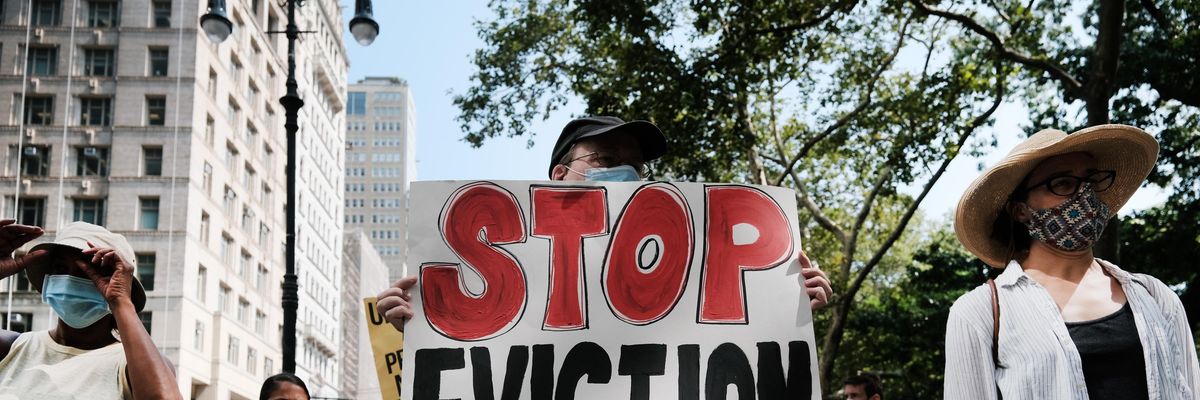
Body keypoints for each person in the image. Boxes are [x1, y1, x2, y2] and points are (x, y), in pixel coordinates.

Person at [377, 116, 834, 332]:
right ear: (560, 175)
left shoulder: (683, 260)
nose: (627, 174)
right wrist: (421, 334)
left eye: (636, 166)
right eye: (607, 160)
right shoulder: (493, 264)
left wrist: (780, 314)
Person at [944, 125, 1200, 399]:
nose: (1085, 196)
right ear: (1020, 210)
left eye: (1092, 180)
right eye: (1063, 183)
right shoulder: (981, 313)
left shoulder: (1155, 296)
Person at [0, 220, 181, 400]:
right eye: (61, 268)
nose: (69, 279)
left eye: (86, 271)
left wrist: (121, 302)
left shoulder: (132, 365)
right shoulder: (13, 348)